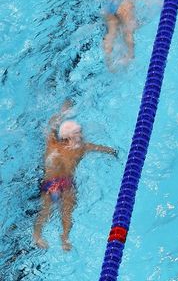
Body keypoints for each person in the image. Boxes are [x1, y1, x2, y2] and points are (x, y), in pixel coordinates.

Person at [33, 100, 118, 250]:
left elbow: (99, 148)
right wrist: (62, 112)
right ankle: (37, 235)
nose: (81, 135)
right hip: (50, 184)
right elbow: (50, 126)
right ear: (67, 137)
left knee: (67, 214)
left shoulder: (82, 147)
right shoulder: (53, 144)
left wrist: (111, 151)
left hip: (67, 184)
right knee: (45, 212)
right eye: (77, 133)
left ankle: (65, 238)